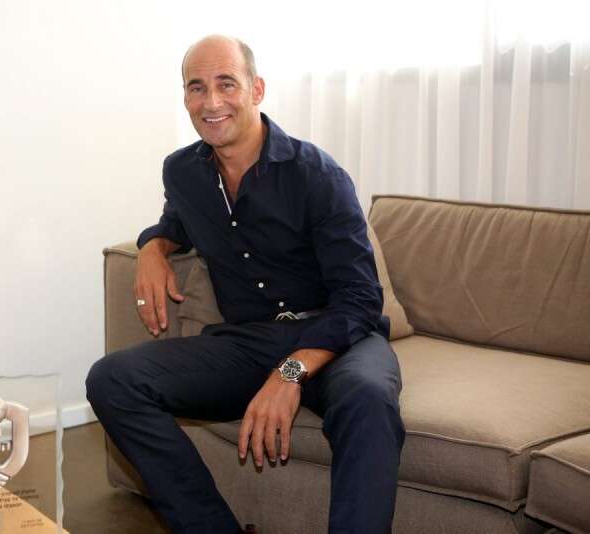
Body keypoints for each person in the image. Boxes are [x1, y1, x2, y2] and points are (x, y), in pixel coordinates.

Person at [87, 35, 405, 534]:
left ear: (256, 89)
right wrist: (153, 248)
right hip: (251, 341)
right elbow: (177, 222)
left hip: (337, 339)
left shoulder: (317, 175)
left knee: (368, 399)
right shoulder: (183, 172)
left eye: (226, 84)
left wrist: (289, 374)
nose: (211, 102)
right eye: (196, 87)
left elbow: (361, 299)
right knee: (113, 379)